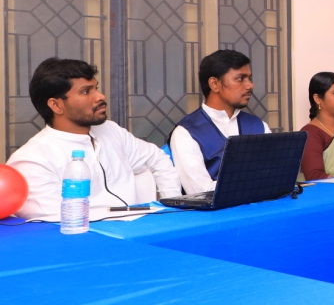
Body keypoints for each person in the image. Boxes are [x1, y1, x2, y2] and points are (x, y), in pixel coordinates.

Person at [8, 58, 179, 219]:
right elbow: (58, 219)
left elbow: (158, 159)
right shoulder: (32, 160)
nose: (100, 96)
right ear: (56, 105)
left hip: (142, 228)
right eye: (85, 91)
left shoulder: (111, 131)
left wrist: (172, 207)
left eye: (96, 88)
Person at [169, 50, 270, 194]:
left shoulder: (259, 126)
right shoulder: (186, 133)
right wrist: (253, 183)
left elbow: (275, 175)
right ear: (215, 84)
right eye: (240, 79)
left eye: (249, 78)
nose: (250, 85)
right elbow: (200, 192)